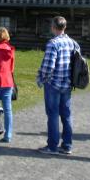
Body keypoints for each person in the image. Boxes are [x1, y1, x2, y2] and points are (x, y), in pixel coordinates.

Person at [36, 16, 80, 155]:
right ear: (64, 27)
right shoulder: (73, 43)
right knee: (66, 115)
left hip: (53, 84)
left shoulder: (53, 43)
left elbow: (48, 66)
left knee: (53, 115)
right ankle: (67, 145)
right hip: (67, 84)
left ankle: (52, 146)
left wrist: (41, 79)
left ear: (53, 27)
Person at [0, 27, 15, 143]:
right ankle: (8, 134)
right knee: (8, 109)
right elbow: (12, 68)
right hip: (8, 81)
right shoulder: (11, 50)